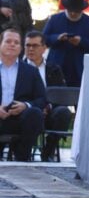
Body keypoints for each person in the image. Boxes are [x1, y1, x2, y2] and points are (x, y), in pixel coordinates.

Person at [23, 31, 73, 161]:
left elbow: (61, 94)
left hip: (50, 112)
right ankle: (24, 153)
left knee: (64, 112)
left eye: (35, 45)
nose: (31, 49)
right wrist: (37, 107)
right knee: (33, 113)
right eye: (27, 45)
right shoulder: (19, 68)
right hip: (28, 111)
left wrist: (49, 106)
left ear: (44, 48)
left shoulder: (54, 68)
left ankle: (48, 152)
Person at [0, 29, 46, 161]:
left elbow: (42, 99)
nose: (12, 44)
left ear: (20, 48)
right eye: (8, 41)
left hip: (19, 118)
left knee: (35, 113)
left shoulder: (30, 71)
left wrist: (26, 105)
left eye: (16, 42)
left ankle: (22, 158)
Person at [41, 0, 89, 87]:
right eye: (70, 10)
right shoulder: (54, 19)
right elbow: (43, 39)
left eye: (76, 11)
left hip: (80, 68)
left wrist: (81, 42)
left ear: (82, 10)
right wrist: (57, 38)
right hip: (56, 66)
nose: (73, 13)